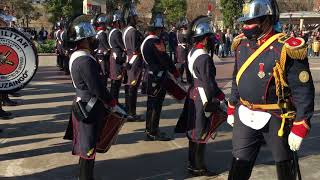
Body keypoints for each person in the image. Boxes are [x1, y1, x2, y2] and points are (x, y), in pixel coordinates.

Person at [227, 0, 315, 179]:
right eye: (244, 22)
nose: (246, 26)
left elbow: (303, 90)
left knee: (284, 164)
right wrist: (232, 104)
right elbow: (237, 78)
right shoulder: (241, 44)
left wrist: (300, 124)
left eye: (251, 22)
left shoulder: (285, 47)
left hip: (276, 116)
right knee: (239, 162)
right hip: (245, 113)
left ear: (266, 20)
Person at [64, 14, 118, 180]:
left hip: (84, 103)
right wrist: (111, 101)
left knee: (85, 145)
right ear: (84, 39)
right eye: (91, 37)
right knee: (88, 146)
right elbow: (97, 88)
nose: (94, 39)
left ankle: (82, 175)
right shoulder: (85, 60)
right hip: (89, 106)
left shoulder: (78, 55)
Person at [176, 15, 225, 176]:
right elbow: (208, 83)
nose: (212, 40)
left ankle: (193, 164)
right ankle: (198, 167)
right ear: (204, 39)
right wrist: (219, 98)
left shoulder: (192, 52)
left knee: (194, 133)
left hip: (194, 92)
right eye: (210, 37)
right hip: (202, 96)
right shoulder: (203, 57)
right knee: (201, 132)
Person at [141, 13, 180, 141]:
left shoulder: (146, 40)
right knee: (156, 105)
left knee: (150, 104)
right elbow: (165, 59)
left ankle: (149, 129)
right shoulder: (155, 41)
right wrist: (175, 72)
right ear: (159, 29)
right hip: (157, 77)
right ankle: (153, 131)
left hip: (150, 75)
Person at [122, 9, 144, 122]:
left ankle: (128, 111)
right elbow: (136, 49)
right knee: (132, 88)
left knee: (129, 87)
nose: (136, 19)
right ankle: (132, 113)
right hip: (135, 61)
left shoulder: (125, 30)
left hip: (129, 59)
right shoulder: (134, 32)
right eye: (135, 17)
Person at [108, 11, 126, 103]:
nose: (122, 23)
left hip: (114, 56)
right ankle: (115, 103)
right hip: (117, 59)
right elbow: (123, 46)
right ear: (117, 22)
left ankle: (114, 101)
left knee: (114, 83)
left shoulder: (111, 31)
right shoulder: (117, 33)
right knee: (116, 83)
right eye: (120, 21)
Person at [93, 14, 112, 84]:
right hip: (103, 55)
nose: (106, 26)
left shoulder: (97, 33)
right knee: (104, 72)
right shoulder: (102, 34)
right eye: (105, 24)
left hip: (98, 54)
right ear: (102, 24)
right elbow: (107, 46)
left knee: (101, 72)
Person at [176, 17, 192, 84]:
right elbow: (188, 38)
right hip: (183, 49)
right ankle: (185, 79)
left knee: (183, 65)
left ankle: (181, 78)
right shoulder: (181, 33)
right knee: (183, 65)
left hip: (182, 49)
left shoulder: (179, 33)